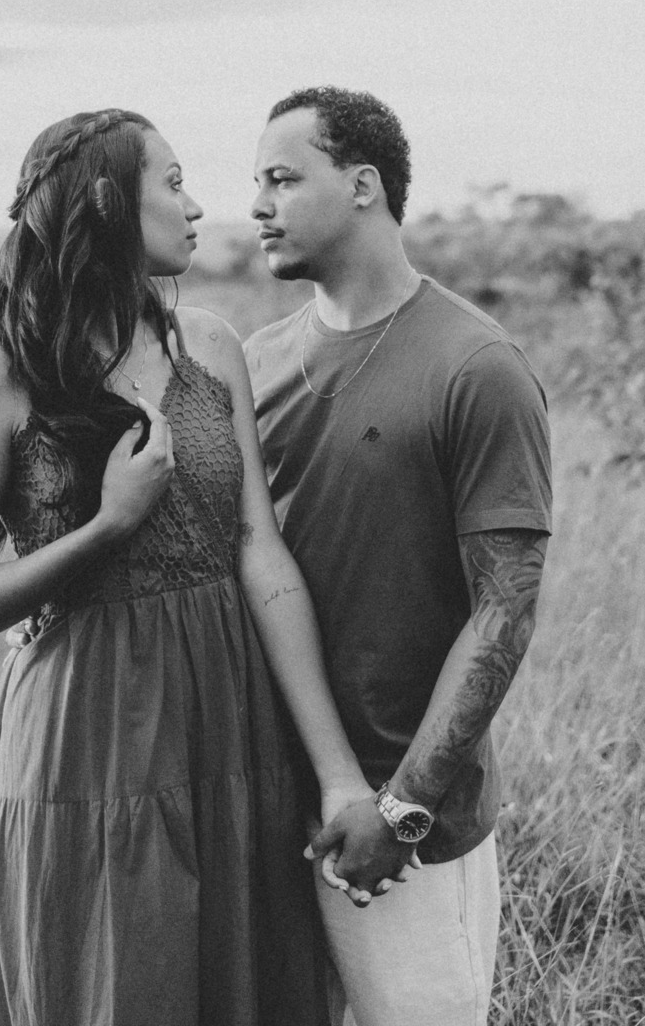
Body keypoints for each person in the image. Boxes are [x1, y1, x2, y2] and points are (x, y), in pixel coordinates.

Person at [0, 108, 383, 1026]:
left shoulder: (207, 344)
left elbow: (260, 552)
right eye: (172, 184)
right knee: (121, 982)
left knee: (241, 983)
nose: (198, 206)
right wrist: (107, 526)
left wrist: (337, 774)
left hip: (229, 714)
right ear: (106, 204)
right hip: (88, 733)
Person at [245, 87, 552, 1026]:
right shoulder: (251, 364)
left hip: (399, 828)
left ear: (363, 185)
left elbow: (504, 608)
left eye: (282, 178)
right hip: (263, 800)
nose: (257, 205)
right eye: (257, 183)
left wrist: (404, 808)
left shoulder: (475, 366)